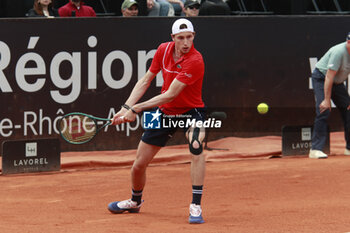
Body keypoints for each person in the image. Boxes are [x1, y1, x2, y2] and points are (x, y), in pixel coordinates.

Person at [107, 18, 207, 224]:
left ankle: (195, 205)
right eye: (181, 38)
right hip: (163, 112)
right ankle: (135, 202)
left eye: (189, 37)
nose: (186, 42)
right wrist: (125, 107)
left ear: (194, 36)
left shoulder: (195, 60)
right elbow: (145, 80)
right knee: (138, 165)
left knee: (196, 147)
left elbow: (170, 94)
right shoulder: (162, 49)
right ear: (173, 38)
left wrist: (136, 108)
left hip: (192, 111)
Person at [309, 32, 350, 159]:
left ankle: (349, 148)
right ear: (348, 42)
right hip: (322, 78)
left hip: (337, 82)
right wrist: (326, 100)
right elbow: (329, 76)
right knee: (324, 109)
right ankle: (315, 150)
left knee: (348, 109)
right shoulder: (338, 52)